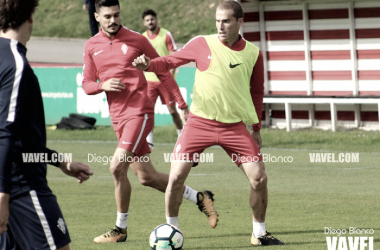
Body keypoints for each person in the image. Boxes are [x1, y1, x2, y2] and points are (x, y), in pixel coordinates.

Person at [133, 1, 285, 246]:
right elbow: (170, 61)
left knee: (259, 179)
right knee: (175, 178)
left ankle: (259, 232)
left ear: (240, 22)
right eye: (217, 20)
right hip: (198, 124)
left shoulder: (254, 54)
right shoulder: (201, 43)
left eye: (226, 21)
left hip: (235, 127)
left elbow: (257, 93)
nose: (220, 26)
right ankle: (172, 230)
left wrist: (256, 129)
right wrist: (149, 65)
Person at [82, 0, 218, 244]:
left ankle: (120, 229)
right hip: (118, 117)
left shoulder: (137, 40)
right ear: (97, 17)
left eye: (116, 15)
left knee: (115, 167)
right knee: (147, 177)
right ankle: (200, 197)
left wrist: (182, 104)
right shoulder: (92, 45)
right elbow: (87, 83)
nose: (113, 20)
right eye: (107, 16)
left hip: (140, 112)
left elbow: (162, 69)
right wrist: (102, 85)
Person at [0, 0, 94, 249]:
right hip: (22, 189)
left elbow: (20, 140)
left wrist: (61, 161)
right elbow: (5, 133)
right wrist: (3, 192)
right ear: (30, 16)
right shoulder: (16, 65)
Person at [141, 9, 184, 150]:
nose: (150, 22)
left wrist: (170, 75)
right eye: (147, 20)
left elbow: (173, 54)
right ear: (144, 23)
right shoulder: (142, 38)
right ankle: (150, 141)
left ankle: (181, 137)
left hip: (165, 80)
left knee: (172, 111)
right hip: (150, 81)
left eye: (152, 19)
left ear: (156, 20)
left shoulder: (166, 34)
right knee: (149, 112)